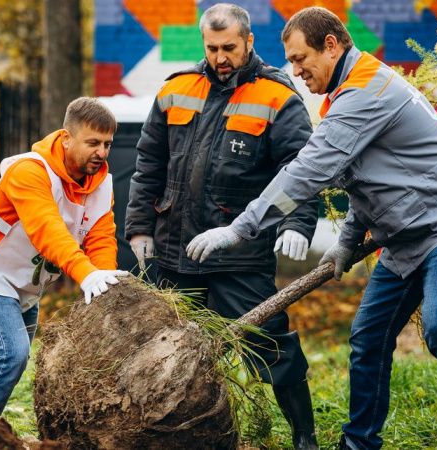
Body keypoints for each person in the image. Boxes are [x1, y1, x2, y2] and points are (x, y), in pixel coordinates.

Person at [186, 6, 437, 450]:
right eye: (290, 61)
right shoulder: (350, 88)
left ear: (331, 46)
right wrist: (347, 242)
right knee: (369, 337)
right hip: (406, 236)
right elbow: (365, 180)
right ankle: (359, 443)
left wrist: (241, 228)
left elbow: (307, 172)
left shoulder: (364, 92)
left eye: (300, 59)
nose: (295, 71)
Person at [124, 4, 319, 448]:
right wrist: (139, 227)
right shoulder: (176, 88)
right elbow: (149, 162)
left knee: (270, 344)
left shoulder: (276, 95)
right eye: (211, 48)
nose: (220, 57)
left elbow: (301, 168)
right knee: (164, 348)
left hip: (240, 253)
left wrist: (298, 222)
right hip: (175, 250)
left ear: (249, 41)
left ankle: (305, 438)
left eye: (229, 47)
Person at [0, 97, 127, 418]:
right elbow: (47, 229)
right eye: (92, 143)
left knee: (15, 361)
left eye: (107, 144)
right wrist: (85, 273)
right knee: (11, 355)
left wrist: (103, 279)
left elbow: (100, 236)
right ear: (67, 138)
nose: (101, 153)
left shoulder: (101, 184)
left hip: (26, 280)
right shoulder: (30, 171)